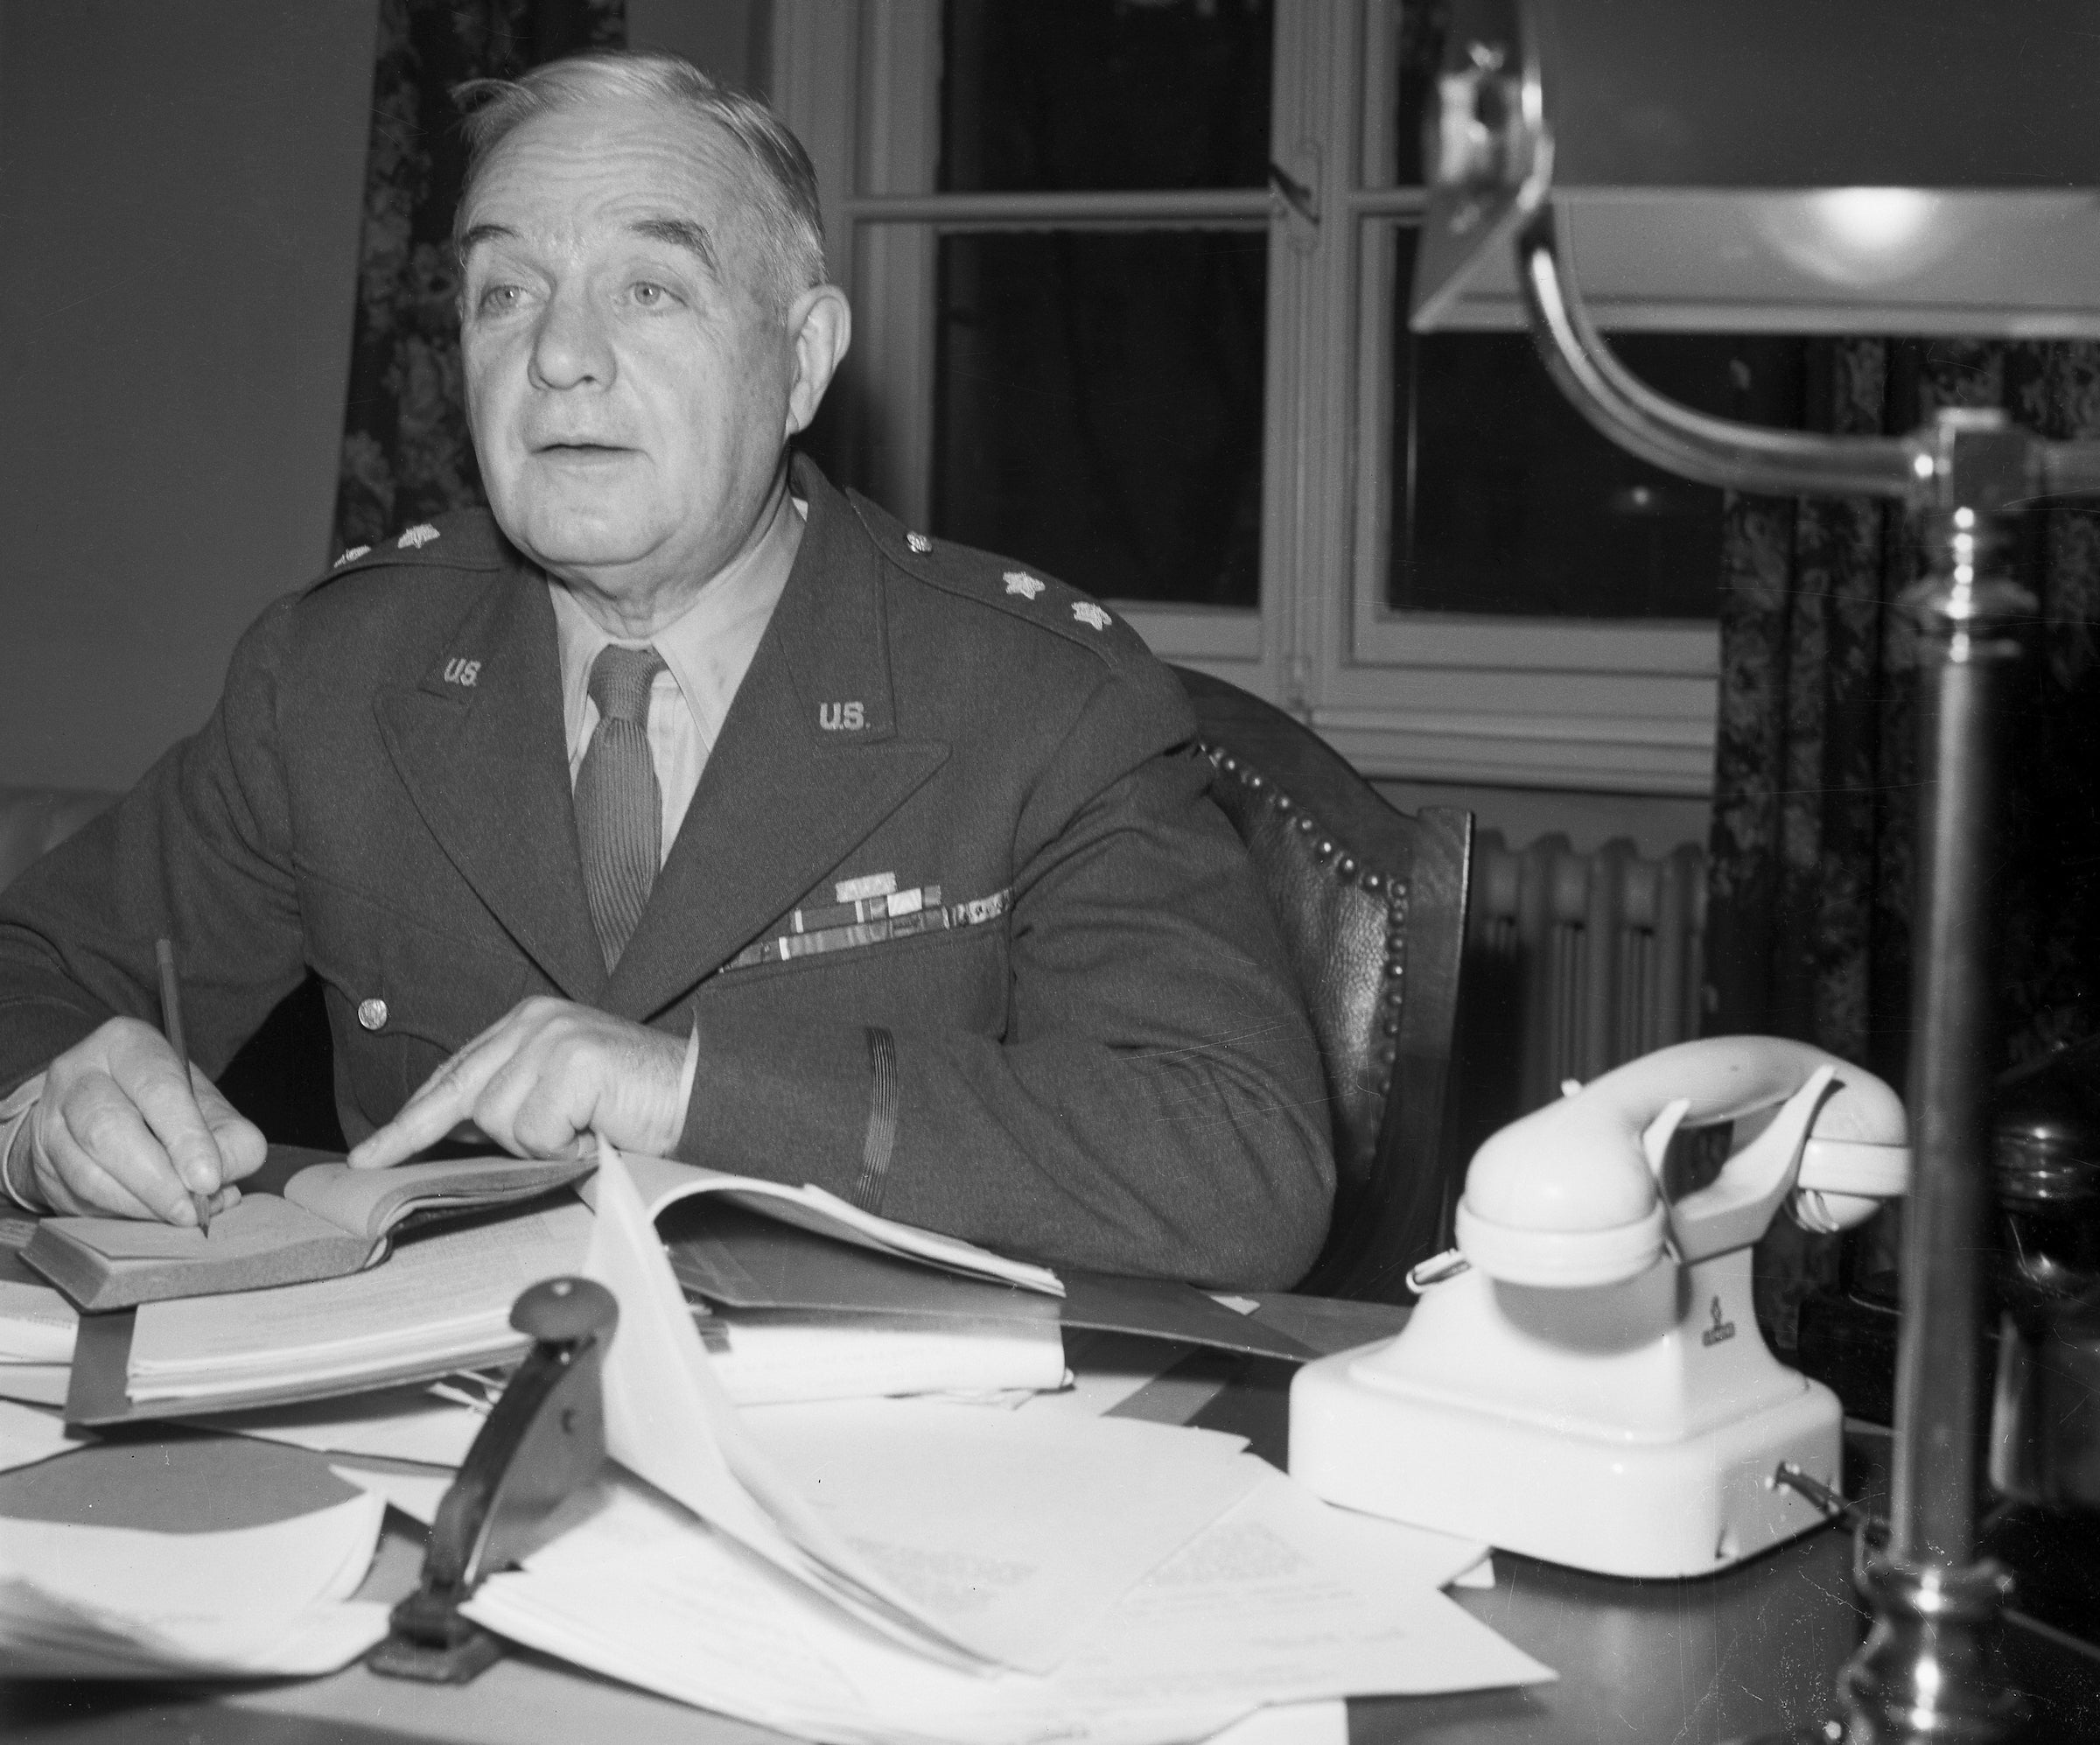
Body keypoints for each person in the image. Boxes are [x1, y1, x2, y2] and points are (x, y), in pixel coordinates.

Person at [0, 52, 1332, 1287]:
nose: (559, 355)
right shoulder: (338, 675)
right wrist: (47, 1106)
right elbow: (35, 969)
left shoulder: (1035, 700)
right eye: (506, 291)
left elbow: (1241, 1157)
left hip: (878, 1472)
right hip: (436, 1447)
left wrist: (694, 1089)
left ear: (801, 360)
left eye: (650, 289)